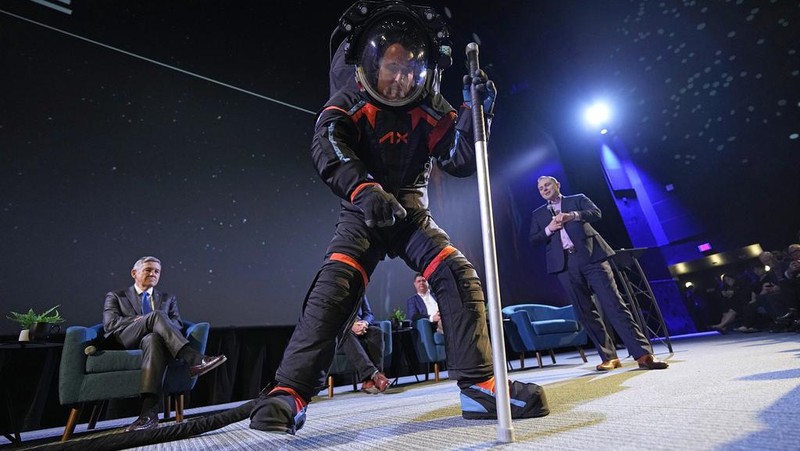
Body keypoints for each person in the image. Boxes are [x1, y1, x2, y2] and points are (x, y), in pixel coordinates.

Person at [248, 1, 549, 435]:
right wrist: (364, 189)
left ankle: (480, 386)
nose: (401, 77)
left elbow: (460, 160)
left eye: (410, 68)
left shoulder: (429, 104)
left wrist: (474, 113)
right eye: (392, 66)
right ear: (370, 62)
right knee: (337, 286)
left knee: (457, 274)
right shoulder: (348, 100)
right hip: (362, 211)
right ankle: (289, 393)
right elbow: (327, 145)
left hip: (409, 211)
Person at [528, 176, 668, 371]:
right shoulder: (538, 214)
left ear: (557, 185)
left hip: (592, 257)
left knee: (614, 305)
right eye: (541, 188)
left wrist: (573, 215)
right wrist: (549, 229)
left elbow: (596, 213)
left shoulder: (577, 199)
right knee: (585, 312)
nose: (544, 189)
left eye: (547, 185)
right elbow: (534, 240)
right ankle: (609, 357)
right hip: (565, 266)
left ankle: (643, 354)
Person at [102, 256, 227, 431]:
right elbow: (110, 324)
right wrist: (142, 320)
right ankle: (193, 359)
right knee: (157, 315)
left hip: (154, 343)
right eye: (148, 270)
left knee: (154, 338)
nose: (153, 273)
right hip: (126, 339)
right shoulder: (117, 295)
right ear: (134, 273)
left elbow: (177, 324)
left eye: (157, 271)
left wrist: (157, 325)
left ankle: (148, 415)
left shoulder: (168, 298)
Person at [338, 296, 390, 394]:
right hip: (344, 330)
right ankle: (376, 376)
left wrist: (364, 323)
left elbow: (368, 313)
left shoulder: (360, 291)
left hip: (361, 326)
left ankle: (370, 381)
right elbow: (333, 317)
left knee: (376, 332)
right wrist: (350, 326)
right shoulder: (335, 292)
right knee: (346, 335)